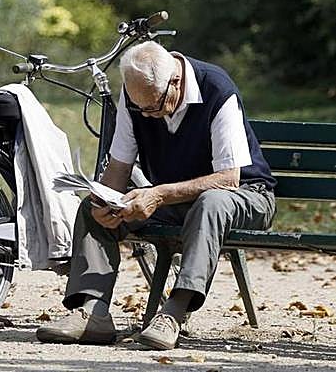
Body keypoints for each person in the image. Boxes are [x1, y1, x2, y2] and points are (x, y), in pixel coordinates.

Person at [36, 40, 276, 350]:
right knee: (90, 209)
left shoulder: (216, 88)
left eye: (154, 106)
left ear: (175, 81)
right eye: (141, 108)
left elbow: (229, 180)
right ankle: (91, 312)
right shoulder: (136, 95)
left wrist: (158, 195)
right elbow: (120, 166)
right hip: (179, 200)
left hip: (246, 196)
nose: (147, 115)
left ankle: (173, 315)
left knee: (211, 201)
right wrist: (104, 201)